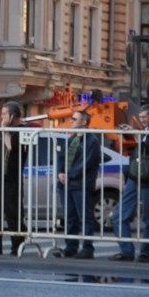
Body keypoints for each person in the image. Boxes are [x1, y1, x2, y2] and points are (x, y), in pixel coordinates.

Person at [112, 106, 149, 262]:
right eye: (140, 117)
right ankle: (126, 251)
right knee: (119, 215)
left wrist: (135, 133)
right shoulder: (143, 131)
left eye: (145, 117)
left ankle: (146, 253)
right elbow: (137, 149)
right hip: (134, 177)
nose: (142, 120)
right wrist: (132, 132)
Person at [60, 107, 103, 258]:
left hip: (81, 184)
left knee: (85, 217)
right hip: (68, 184)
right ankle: (70, 247)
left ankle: (87, 248)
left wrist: (69, 174)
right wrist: (61, 172)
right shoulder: (72, 138)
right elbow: (62, 156)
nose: (71, 121)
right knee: (70, 216)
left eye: (74, 119)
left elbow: (86, 163)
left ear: (84, 122)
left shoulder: (92, 141)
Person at [0, 102, 25, 255]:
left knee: (12, 212)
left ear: (12, 116)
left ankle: (17, 246)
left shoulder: (21, 131)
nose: (1, 117)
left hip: (10, 178)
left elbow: (11, 147)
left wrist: (6, 129)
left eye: (4, 114)